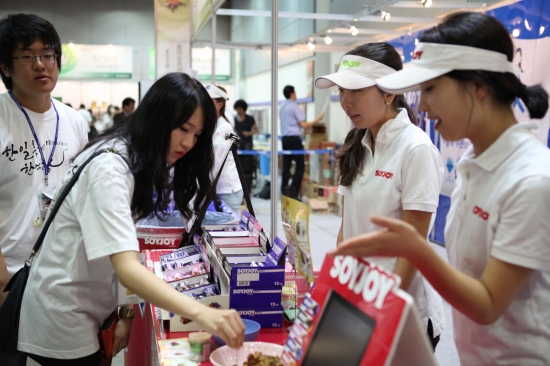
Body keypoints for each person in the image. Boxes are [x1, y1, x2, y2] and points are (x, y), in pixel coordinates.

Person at [332, 11, 550, 365]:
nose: (424, 105)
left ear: (478, 87)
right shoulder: (474, 168)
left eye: (431, 89)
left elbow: (489, 304)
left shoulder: (531, 180)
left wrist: (417, 252)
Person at [17, 73, 246, 365]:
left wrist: (124, 312)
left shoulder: (136, 158)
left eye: (198, 135)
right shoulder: (111, 168)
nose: (188, 143)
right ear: (158, 119)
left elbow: (126, 248)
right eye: (183, 129)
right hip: (63, 314)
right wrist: (203, 311)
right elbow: (126, 268)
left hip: (86, 305)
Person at [315, 43, 446, 350]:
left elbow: (413, 246)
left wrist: (384, 308)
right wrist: (338, 283)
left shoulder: (416, 149)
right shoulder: (356, 144)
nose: (346, 102)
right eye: (341, 91)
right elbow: (346, 228)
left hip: (401, 308)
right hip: (360, 298)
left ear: (389, 93)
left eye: (356, 91)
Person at [0, 13, 89, 365]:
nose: (41, 64)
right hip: (8, 274)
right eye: (27, 55)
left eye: (48, 54)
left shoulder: (74, 120)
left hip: (62, 277)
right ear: (6, 66)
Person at [279, 85, 324, 199]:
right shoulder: (295, 107)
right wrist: (318, 119)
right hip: (294, 139)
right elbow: (303, 125)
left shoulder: (282, 107)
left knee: (287, 166)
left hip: (285, 139)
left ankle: (285, 192)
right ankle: (293, 192)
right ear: (292, 94)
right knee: (300, 166)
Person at [206, 84, 243, 215]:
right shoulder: (213, 125)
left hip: (227, 190)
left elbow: (215, 157)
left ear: (219, 104)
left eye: (208, 102)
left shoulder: (225, 128)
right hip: (217, 188)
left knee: (231, 232)